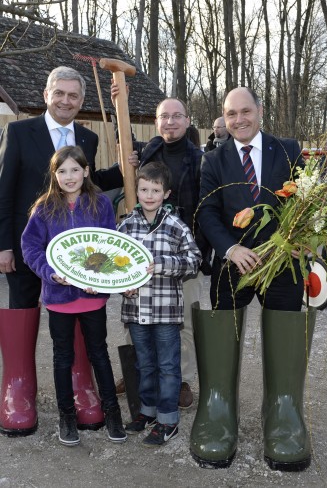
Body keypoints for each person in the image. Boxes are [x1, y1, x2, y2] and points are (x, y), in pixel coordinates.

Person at [0, 66, 123, 436]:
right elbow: (3, 191)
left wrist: (123, 170)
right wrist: (3, 244)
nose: (66, 101)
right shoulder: (19, 132)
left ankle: (79, 383)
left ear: (81, 101)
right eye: (60, 93)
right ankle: (18, 387)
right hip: (30, 246)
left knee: (77, 311)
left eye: (73, 96)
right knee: (22, 305)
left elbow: (88, 181)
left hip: (78, 255)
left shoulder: (87, 136)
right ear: (46, 94)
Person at [197, 87, 310, 471]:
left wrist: (300, 240)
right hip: (234, 264)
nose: (239, 119)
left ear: (260, 111)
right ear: (224, 118)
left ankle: (281, 410)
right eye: (231, 114)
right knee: (222, 330)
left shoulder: (289, 150)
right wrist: (230, 249)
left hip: (282, 263)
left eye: (246, 111)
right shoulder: (213, 159)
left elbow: (307, 202)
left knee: (286, 330)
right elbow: (207, 212)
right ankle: (219, 409)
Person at [21, 146, 127, 446]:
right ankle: (67, 417)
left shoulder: (101, 204)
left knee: (99, 354)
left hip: (92, 296)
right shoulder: (44, 208)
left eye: (75, 169)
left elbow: (109, 245)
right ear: (55, 175)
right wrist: (48, 272)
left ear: (86, 171)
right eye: (62, 171)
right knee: (62, 357)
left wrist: (100, 277)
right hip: (58, 296)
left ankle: (112, 414)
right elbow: (30, 248)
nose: (69, 176)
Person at [111, 88, 207, 408]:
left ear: (187, 121)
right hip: (142, 248)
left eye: (177, 116)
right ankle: (138, 371)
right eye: (164, 116)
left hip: (181, 249)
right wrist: (117, 104)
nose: (170, 122)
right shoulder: (149, 150)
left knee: (184, 320)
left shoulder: (199, 158)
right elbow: (123, 138)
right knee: (135, 314)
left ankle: (180, 378)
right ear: (156, 123)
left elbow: (205, 207)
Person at [118, 162, 201, 446]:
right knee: (144, 364)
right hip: (135, 310)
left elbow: (194, 261)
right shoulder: (127, 224)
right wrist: (123, 286)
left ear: (166, 193)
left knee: (167, 366)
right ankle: (147, 412)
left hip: (165, 312)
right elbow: (117, 266)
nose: (149, 195)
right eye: (144, 189)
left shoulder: (176, 226)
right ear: (137, 190)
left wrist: (161, 265)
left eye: (155, 190)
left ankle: (168, 420)